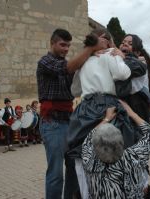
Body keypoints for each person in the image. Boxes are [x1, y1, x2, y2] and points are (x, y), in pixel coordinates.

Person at [36, 28, 107, 199]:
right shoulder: (45, 62)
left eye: (68, 46)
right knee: (56, 174)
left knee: (75, 167)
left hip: (70, 121)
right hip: (52, 123)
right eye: (62, 45)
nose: (66, 49)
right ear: (52, 43)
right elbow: (66, 69)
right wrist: (91, 48)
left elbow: (76, 84)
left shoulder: (69, 63)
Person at [67, 28, 133, 199]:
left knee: (82, 155)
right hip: (106, 105)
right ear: (107, 40)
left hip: (86, 109)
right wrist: (119, 55)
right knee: (113, 155)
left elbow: (75, 90)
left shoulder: (85, 60)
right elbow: (123, 73)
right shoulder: (110, 53)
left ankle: (88, 193)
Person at [82, 101, 150, 199]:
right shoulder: (132, 157)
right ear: (121, 143)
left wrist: (106, 118)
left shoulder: (89, 160)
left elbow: (89, 138)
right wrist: (132, 113)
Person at [117, 34, 150, 123]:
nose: (125, 44)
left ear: (138, 52)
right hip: (128, 106)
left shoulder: (138, 64)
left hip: (137, 107)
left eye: (130, 43)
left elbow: (120, 89)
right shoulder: (123, 61)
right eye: (123, 42)